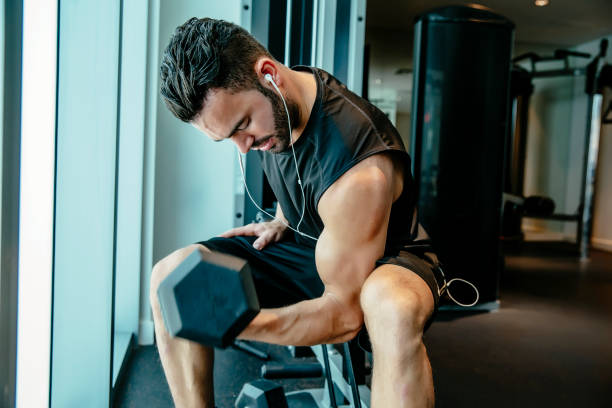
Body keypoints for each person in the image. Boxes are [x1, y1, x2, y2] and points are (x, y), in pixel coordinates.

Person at [151, 17, 444, 408]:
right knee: (173, 275)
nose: (244, 146)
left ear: (269, 74)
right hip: (316, 243)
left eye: (243, 126)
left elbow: (344, 315)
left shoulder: (359, 170)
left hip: (383, 261)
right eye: (229, 138)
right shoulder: (285, 102)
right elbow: (306, 176)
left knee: (391, 307)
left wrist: (240, 323)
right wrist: (281, 219)